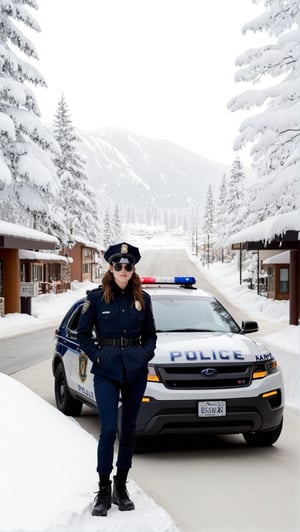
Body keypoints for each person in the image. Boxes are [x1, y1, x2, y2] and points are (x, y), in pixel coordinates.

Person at [77, 242, 157, 517]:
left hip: (135, 371)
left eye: (128, 266)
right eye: (118, 265)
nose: (123, 270)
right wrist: (97, 357)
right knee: (109, 429)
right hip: (107, 371)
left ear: (133, 269)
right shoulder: (96, 298)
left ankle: (120, 487)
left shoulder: (143, 298)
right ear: (110, 268)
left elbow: (151, 336)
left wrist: (143, 356)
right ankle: (102, 488)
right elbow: (83, 334)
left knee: (129, 430)